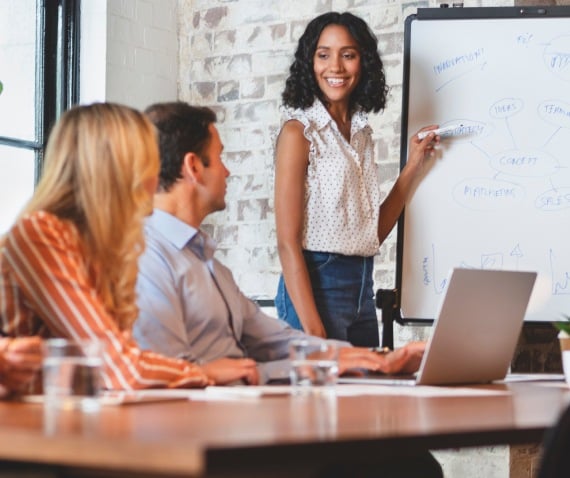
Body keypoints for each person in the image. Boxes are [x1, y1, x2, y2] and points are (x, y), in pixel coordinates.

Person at [133, 101, 425, 385]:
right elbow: (168, 375)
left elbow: (276, 341)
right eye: (220, 158)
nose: (227, 171)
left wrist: (375, 359)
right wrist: (268, 373)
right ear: (193, 167)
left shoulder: (207, 263)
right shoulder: (146, 259)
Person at [0, 103, 209, 391]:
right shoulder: (41, 233)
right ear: (123, 171)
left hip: (61, 421)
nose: (157, 177)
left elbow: (111, 365)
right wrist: (200, 372)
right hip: (25, 429)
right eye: (151, 163)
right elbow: (119, 368)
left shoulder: (103, 247)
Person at [274, 12, 439, 346]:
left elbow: (370, 234)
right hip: (316, 286)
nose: (335, 67)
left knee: (365, 395)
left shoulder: (361, 132)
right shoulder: (299, 132)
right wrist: (314, 329)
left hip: (362, 287)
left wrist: (413, 165)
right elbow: (286, 242)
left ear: (363, 62)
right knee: (320, 398)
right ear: (310, 62)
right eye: (324, 55)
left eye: (347, 55)